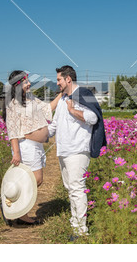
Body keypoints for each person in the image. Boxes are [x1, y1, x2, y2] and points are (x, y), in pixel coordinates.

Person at [48, 65, 106, 237]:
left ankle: (81, 231)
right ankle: (75, 224)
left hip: (78, 150)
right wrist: (38, 135)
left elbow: (93, 117)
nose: (57, 83)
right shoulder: (63, 98)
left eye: (59, 79)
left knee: (77, 188)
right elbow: (55, 124)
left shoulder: (83, 94)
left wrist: (73, 110)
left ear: (68, 79)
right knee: (70, 188)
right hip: (64, 150)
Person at [2, 70, 61, 225]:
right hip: (24, 146)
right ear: (17, 85)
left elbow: (48, 108)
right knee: (36, 179)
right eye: (25, 82)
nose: (29, 84)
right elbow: (13, 131)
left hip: (35, 146)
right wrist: (16, 153)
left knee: (33, 180)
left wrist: (62, 93)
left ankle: (17, 209)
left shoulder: (30, 98)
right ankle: (15, 206)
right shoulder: (12, 104)